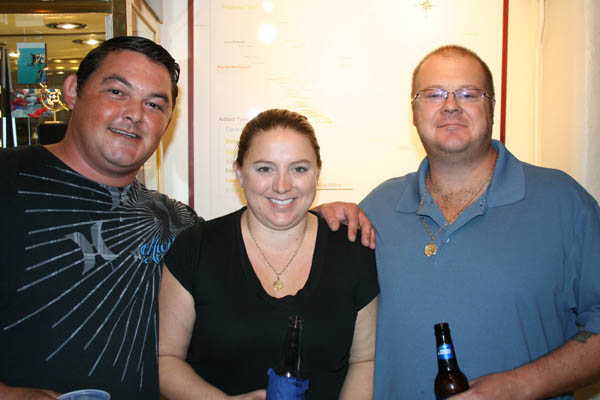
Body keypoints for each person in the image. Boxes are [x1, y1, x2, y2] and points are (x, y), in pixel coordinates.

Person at [353, 45, 600, 399]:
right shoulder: (377, 208)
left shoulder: (562, 201)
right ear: (414, 112)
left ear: (492, 108)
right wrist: (313, 219)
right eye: (433, 94)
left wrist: (519, 385)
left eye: (469, 93)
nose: (451, 105)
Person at [0, 36, 198, 399]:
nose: (136, 114)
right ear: (73, 91)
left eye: (154, 104)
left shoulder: (178, 223)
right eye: (117, 92)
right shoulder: (7, 181)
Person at [158, 109, 379, 399]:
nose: (282, 186)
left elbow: (364, 361)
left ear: (317, 173)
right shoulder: (195, 248)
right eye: (265, 169)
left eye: (299, 169)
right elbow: (165, 359)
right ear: (239, 173)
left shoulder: (353, 251)